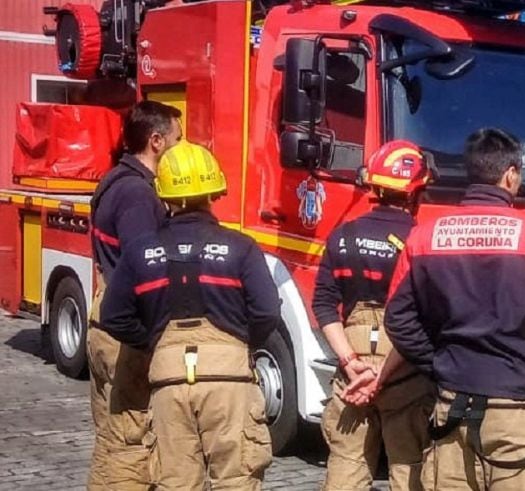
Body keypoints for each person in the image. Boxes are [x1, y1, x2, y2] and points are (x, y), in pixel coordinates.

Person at [384, 128, 525, 490]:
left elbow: (397, 319)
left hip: (451, 406)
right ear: (509, 174)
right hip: (518, 413)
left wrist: (438, 362)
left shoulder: (425, 236)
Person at [99, 142, 280, 489]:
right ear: (213, 192)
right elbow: (267, 311)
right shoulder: (241, 247)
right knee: (237, 479)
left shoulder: (141, 250)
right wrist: (239, 344)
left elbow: (114, 316)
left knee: (176, 482)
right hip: (229, 381)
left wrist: (155, 341)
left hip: (168, 382)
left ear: (164, 196)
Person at [311, 141, 435, 491]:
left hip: (351, 370)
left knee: (346, 465)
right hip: (404, 366)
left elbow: (323, 305)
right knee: (409, 465)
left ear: (375, 187)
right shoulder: (421, 241)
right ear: (416, 192)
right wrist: (382, 374)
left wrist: (350, 362)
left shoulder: (343, 236)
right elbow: (427, 316)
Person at [86, 100, 181, 490]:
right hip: (125, 332)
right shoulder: (139, 196)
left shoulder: (115, 181)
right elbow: (146, 268)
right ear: (156, 141)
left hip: (104, 320)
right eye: (178, 138)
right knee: (130, 440)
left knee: (112, 436)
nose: (182, 145)